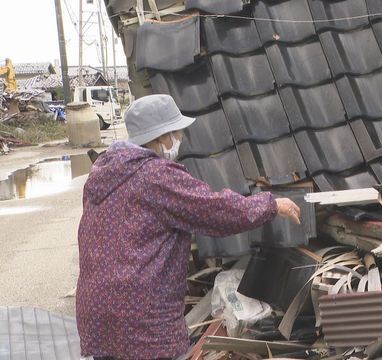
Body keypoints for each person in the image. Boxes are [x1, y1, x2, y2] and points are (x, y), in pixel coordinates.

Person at [76, 94, 301, 359]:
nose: (180, 138)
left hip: (96, 309)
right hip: (140, 314)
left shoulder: (103, 173)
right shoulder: (156, 176)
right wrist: (271, 205)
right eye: (177, 132)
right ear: (161, 136)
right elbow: (214, 210)